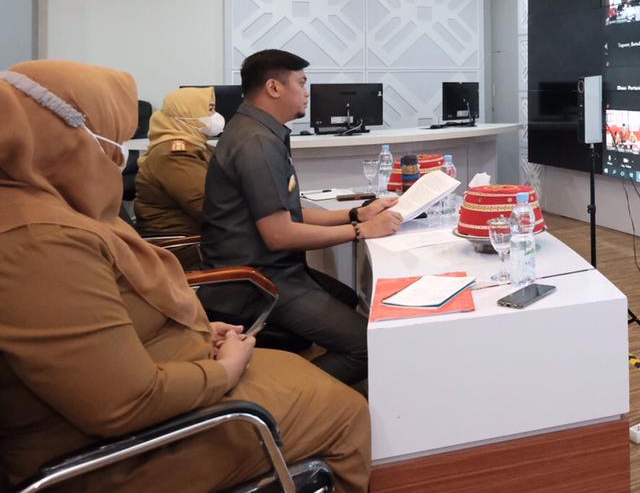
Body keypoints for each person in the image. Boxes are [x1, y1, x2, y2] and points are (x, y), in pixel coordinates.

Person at [0, 61, 370, 492]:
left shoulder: (59, 210)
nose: (119, 155)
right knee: (349, 408)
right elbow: (124, 402)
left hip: (170, 377)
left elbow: (102, 324)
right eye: (112, 140)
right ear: (62, 137)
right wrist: (226, 370)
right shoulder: (39, 241)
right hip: (120, 451)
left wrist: (197, 330)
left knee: (324, 348)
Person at [202, 50, 403, 389]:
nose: (307, 92)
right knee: (367, 346)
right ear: (273, 88)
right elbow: (279, 235)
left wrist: (355, 214)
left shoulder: (260, 131)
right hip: (255, 281)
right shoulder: (255, 142)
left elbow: (288, 214)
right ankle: (284, 398)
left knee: (347, 299)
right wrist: (360, 230)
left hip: (273, 269)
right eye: (301, 82)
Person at [133, 86, 221, 270]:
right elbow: (209, 207)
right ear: (187, 115)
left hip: (200, 239)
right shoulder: (174, 155)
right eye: (209, 109)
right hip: (184, 249)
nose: (215, 115)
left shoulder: (199, 146)